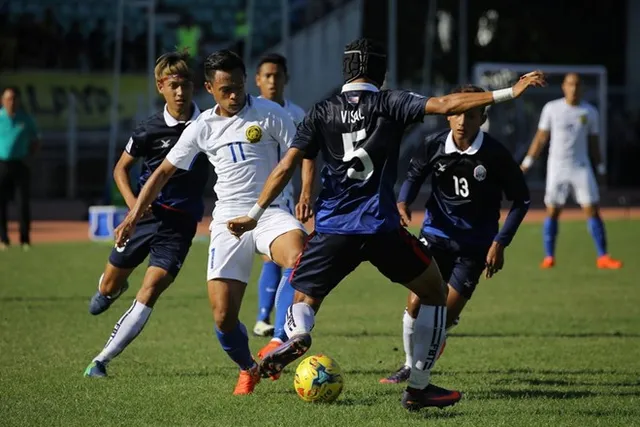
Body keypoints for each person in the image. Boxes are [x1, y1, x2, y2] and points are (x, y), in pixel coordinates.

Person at [226, 38, 545, 410]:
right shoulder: (390, 102)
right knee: (434, 293)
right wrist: (509, 91)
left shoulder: (321, 110)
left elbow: (286, 167)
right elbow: (446, 104)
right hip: (380, 228)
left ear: (345, 70)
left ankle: (297, 335)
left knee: (303, 299)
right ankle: (419, 387)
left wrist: (253, 215)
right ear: (381, 72)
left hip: (333, 229)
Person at [113, 49, 308, 396]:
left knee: (299, 254)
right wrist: (132, 215)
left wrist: (302, 193)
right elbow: (161, 173)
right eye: (224, 90)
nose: (233, 96)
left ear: (246, 80)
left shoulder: (270, 113)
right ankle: (249, 367)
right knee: (222, 317)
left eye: (237, 86)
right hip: (228, 222)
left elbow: (299, 154)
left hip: (269, 213)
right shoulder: (202, 127)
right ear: (209, 88)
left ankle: (285, 336)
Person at [379, 85, 531, 384]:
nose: (463, 121)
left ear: (482, 117)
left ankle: (434, 343)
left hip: (474, 246)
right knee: (415, 303)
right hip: (435, 235)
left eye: (471, 115)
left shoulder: (495, 155)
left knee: (441, 319)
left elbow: (522, 200)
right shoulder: (433, 145)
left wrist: (500, 242)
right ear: (448, 115)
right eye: (457, 114)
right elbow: (413, 176)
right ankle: (409, 367)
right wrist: (402, 202)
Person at [84, 51, 209, 377]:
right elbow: (121, 170)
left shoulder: (210, 125)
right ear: (160, 87)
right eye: (173, 86)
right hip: (144, 218)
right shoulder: (147, 130)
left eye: (185, 85)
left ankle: (101, 360)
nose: (180, 92)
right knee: (108, 289)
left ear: (194, 86)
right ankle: (111, 288)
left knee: (151, 290)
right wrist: (133, 208)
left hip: (180, 225)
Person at [521, 73, 622, 269]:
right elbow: (541, 138)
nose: (573, 88)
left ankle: (603, 257)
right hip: (557, 167)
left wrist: (600, 167)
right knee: (552, 211)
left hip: (581, 166)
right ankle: (549, 256)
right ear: (563, 87)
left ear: (582, 88)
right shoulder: (552, 109)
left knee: (592, 209)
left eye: (576, 85)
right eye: (570, 84)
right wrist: (527, 163)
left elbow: (594, 142)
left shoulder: (590, 112)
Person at [252, 52, 315, 346]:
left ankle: (276, 329)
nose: (272, 80)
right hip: (253, 199)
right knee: (272, 258)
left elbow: (308, 156)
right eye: (267, 75)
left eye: (277, 75)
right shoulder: (250, 112)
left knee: (287, 259)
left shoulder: (297, 114)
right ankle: (266, 319)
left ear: (285, 79)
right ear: (257, 80)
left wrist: (305, 193)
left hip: (285, 198)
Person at [0, 87, 40, 251]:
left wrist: (30, 158)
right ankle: (3, 239)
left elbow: (35, 140)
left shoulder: (26, 119)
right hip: (2, 164)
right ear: (3, 100)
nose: (12, 102)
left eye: (14, 98)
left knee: (23, 203)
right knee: (1, 204)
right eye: (8, 98)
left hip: (20, 164)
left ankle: (25, 239)